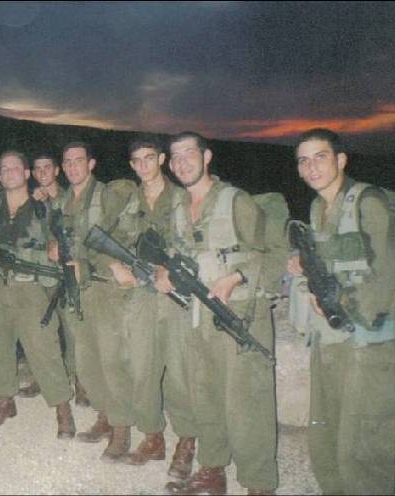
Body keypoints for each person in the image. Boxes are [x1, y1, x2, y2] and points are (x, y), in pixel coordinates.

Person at [287, 128, 395, 495]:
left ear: (341, 160)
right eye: (303, 161)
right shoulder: (318, 208)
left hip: (369, 341)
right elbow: (333, 261)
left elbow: (390, 272)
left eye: (320, 157)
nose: (312, 167)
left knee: (364, 444)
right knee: (327, 434)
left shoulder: (368, 203)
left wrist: (341, 302)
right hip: (331, 339)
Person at [163, 132, 278, 495]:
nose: (181, 162)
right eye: (175, 156)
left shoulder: (235, 201)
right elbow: (177, 254)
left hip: (239, 311)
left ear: (207, 156)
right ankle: (212, 468)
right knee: (205, 391)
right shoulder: (179, 208)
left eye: (189, 153)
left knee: (247, 399)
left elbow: (275, 252)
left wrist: (237, 277)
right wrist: (165, 272)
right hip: (198, 313)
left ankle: (259, 483)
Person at [0, 150, 76, 437]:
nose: (9, 173)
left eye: (15, 168)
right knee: (0, 344)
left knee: (43, 347)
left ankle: (62, 408)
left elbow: (61, 235)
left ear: (27, 173)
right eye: (4, 169)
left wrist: (56, 247)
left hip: (30, 287)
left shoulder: (43, 204)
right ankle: (4, 400)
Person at [106, 139, 197, 470]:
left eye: (149, 158)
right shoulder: (129, 201)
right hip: (141, 294)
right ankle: (153, 436)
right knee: (141, 367)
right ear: (131, 165)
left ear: (162, 160)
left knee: (179, 370)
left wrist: (171, 269)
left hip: (174, 294)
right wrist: (115, 265)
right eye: (137, 161)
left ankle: (186, 440)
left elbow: (196, 242)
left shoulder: (182, 197)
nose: (144, 166)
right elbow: (110, 239)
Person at [48, 141, 137, 461]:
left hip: (104, 287)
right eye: (67, 162)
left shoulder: (108, 196)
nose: (73, 166)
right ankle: (105, 416)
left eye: (78, 160)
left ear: (91, 163)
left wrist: (87, 264)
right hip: (76, 289)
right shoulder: (61, 201)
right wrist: (52, 246)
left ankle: (122, 428)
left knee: (112, 359)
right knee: (86, 361)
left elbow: (123, 239)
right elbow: (59, 235)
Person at [19, 153, 89, 406]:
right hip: (39, 274)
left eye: (47, 167)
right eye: (37, 168)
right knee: (41, 330)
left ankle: (81, 382)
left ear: (57, 170)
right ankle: (44, 378)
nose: (42, 173)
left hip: (66, 272)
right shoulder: (29, 201)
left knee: (73, 329)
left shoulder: (70, 197)